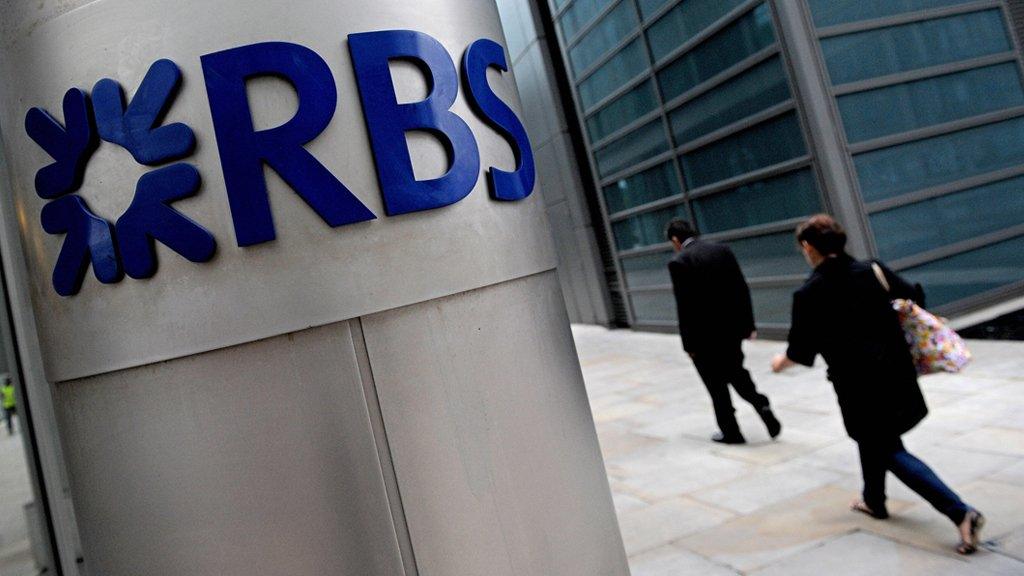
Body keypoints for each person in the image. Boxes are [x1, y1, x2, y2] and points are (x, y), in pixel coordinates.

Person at [771, 214, 984, 555]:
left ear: (808, 247)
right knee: (874, 438)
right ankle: (874, 500)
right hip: (896, 373)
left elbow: (801, 351)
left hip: (858, 386)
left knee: (886, 449)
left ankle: (960, 512)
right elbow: (914, 295)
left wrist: (779, 363)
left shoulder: (809, 292)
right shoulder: (872, 270)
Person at [666, 219, 781, 444]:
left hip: (704, 338)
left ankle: (731, 431)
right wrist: (748, 326)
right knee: (736, 371)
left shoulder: (679, 261)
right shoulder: (721, 251)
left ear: (675, 240)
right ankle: (761, 403)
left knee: (715, 385)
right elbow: (740, 288)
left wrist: (688, 345)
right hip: (731, 331)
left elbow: (686, 307)